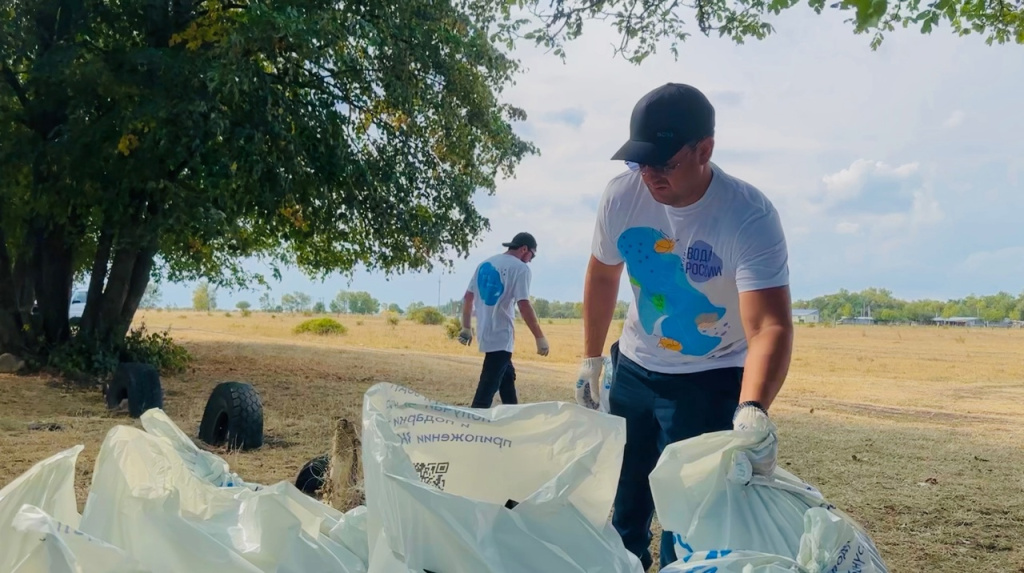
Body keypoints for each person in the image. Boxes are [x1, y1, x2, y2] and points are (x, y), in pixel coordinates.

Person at [575, 83, 794, 571]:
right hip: (634, 365)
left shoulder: (748, 216)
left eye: (664, 164)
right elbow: (603, 272)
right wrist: (591, 357)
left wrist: (754, 408)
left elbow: (770, 326)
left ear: (704, 150)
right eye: (640, 162)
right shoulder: (622, 196)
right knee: (623, 498)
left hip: (710, 375)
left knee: (691, 514)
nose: (649, 176)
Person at [458, 232, 550, 408]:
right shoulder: (521, 269)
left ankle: (513, 416)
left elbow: (468, 298)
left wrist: (466, 327)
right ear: (524, 249)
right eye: (532, 255)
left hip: (485, 331)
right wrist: (539, 337)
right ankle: (473, 426)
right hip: (502, 334)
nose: (530, 260)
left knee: (506, 377)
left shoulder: (484, 264)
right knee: (485, 392)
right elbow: (524, 305)